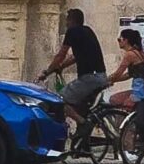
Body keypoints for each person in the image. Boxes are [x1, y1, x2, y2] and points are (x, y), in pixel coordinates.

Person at [41, 8, 108, 149]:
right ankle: (83, 146)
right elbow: (77, 56)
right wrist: (62, 67)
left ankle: (83, 123)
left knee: (59, 100)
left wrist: (47, 72)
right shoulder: (87, 31)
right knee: (81, 107)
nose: (66, 23)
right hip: (100, 76)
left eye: (67, 20)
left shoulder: (72, 32)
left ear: (72, 20)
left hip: (90, 78)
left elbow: (61, 54)